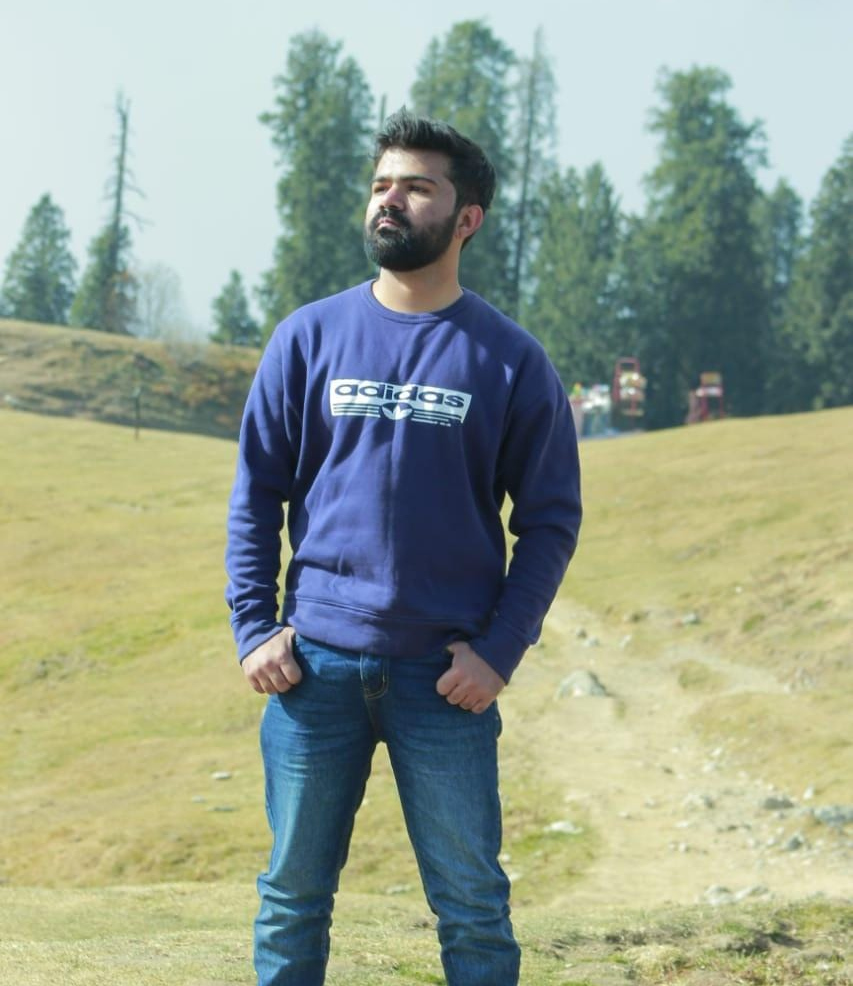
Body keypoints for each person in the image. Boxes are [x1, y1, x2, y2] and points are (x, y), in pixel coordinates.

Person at [225, 108, 582, 986]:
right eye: (382, 184)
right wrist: (253, 627)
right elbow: (256, 493)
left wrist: (498, 652)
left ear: (467, 219)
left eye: (417, 188)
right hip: (312, 671)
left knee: (472, 908)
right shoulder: (307, 337)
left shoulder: (510, 360)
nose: (390, 200)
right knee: (291, 899)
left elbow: (549, 521)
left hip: (444, 682)